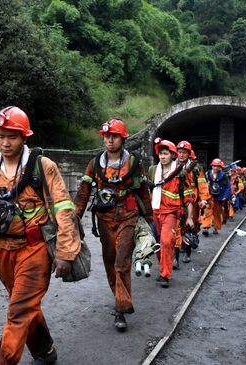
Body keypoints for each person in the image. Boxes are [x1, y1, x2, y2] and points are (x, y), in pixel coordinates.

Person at [0, 106, 80, 365]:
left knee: (19, 308)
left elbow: (64, 210)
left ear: (24, 138)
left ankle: (1, 360)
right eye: (0, 136)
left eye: (12, 137)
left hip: (35, 250)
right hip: (3, 252)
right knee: (25, 305)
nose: (5, 143)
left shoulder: (42, 167)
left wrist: (65, 253)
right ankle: (45, 350)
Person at [74, 119, 152, 331]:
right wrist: (75, 218)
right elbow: (83, 192)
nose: (109, 140)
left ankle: (121, 309)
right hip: (105, 218)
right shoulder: (95, 163)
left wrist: (151, 219)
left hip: (128, 215)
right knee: (109, 261)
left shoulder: (135, 163)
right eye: (106, 136)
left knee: (121, 261)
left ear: (123, 139)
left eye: (114, 136)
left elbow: (143, 192)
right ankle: (119, 296)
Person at [147, 139, 194, 288]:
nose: (162, 156)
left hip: (171, 214)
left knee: (166, 241)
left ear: (173, 155)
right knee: (156, 244)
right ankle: (164, 266)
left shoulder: (180, 173)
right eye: (160, 153)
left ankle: (165, 275)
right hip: (154, 213)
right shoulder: (153, 171)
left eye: (165, 153)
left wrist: (190, 217)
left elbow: (188, 197)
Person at [174, 140, 211, 264]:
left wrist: (204, 199)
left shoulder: (196, 168)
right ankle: (176, 256)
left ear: (189, 154)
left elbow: (202, 184)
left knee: (189, 228)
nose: (181, 155)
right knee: (176, 228)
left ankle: (187, 252)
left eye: (184, 152)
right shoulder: (172, 166)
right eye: (179, 152)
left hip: (192, 202)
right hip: (176, 201)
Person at [202, 159, 231, 235]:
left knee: (217, 213)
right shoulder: (207, 174)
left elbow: (228, 186)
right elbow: (203, 184)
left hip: (219, 197)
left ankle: (216, 227)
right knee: (208, 210)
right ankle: (206, 227)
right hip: (209, 196)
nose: (215, 168)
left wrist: (226, 196)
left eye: (217, 166)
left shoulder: (224, 175)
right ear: (212, 166)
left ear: (220, 167)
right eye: (214, 166)